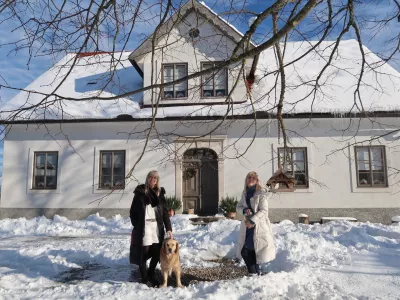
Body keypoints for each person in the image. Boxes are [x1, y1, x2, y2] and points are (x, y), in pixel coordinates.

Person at [129, 170, 172, 286]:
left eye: (155, 178)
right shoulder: (141, 192)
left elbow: (164, 213)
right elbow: (132, 211)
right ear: (147, 178)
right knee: (144, 252)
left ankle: (150, 274)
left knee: (157, 252)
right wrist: (137, 225)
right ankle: (144, 278)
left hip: (157, 227)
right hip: (144, 227)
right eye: (150, 177)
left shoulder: (160, 194)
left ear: (157, 181)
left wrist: (168, 228)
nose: (152, 180)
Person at [236, 171, 276, 275]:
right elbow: (238, 207)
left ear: (257, 181)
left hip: (258, 226)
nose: (250, 179)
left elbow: (264, 210)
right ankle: (257, 274)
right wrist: (244, 211)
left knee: (245, 251)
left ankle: (253, 274)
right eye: (249, 177)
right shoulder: (245, 193)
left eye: (253, 178)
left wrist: (252, 220)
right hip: (247, 226)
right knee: (251, 251)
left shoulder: (261, 193)